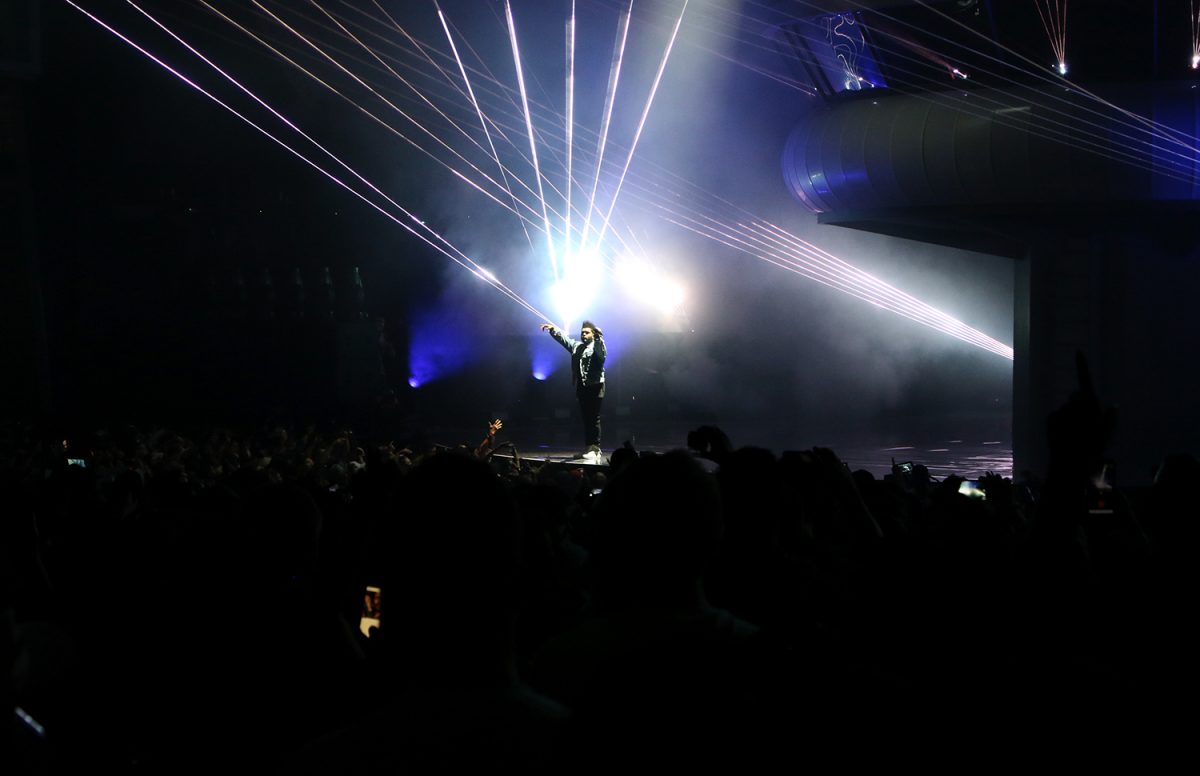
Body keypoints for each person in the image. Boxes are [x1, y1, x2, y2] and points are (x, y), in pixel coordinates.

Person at [541, 320, 607, 463]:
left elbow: (601, 357)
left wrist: (599, 338)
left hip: (595, 387)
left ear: (593, 334)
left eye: (587, 333)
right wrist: (553, 330)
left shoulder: (598, 345)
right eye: (582, 332)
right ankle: (589, 448)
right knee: (586, 418)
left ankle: (595, 449)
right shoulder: (577, 346)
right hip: (582, 387)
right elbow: (564, 340)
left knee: (593, 418)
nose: (583, 335)